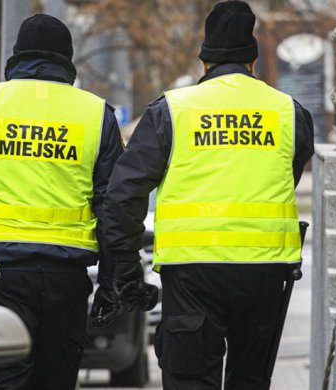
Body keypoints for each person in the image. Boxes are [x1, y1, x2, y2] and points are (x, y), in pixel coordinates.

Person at [101, 1, 315, 389]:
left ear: (204, 63)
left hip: (192, 273)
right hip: (264, 273)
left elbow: (122, 195)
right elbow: (291, 173)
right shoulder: (289, 112)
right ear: (254, 63)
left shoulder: (172, 110)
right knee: (250, 380)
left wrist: (124, 267)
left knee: (190, 379)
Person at [0, 14, 124, 390]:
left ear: (16, 57)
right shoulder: (96, 114)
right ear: (67, 60)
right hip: (65, 281)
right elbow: (115, 207)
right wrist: (113, 282)